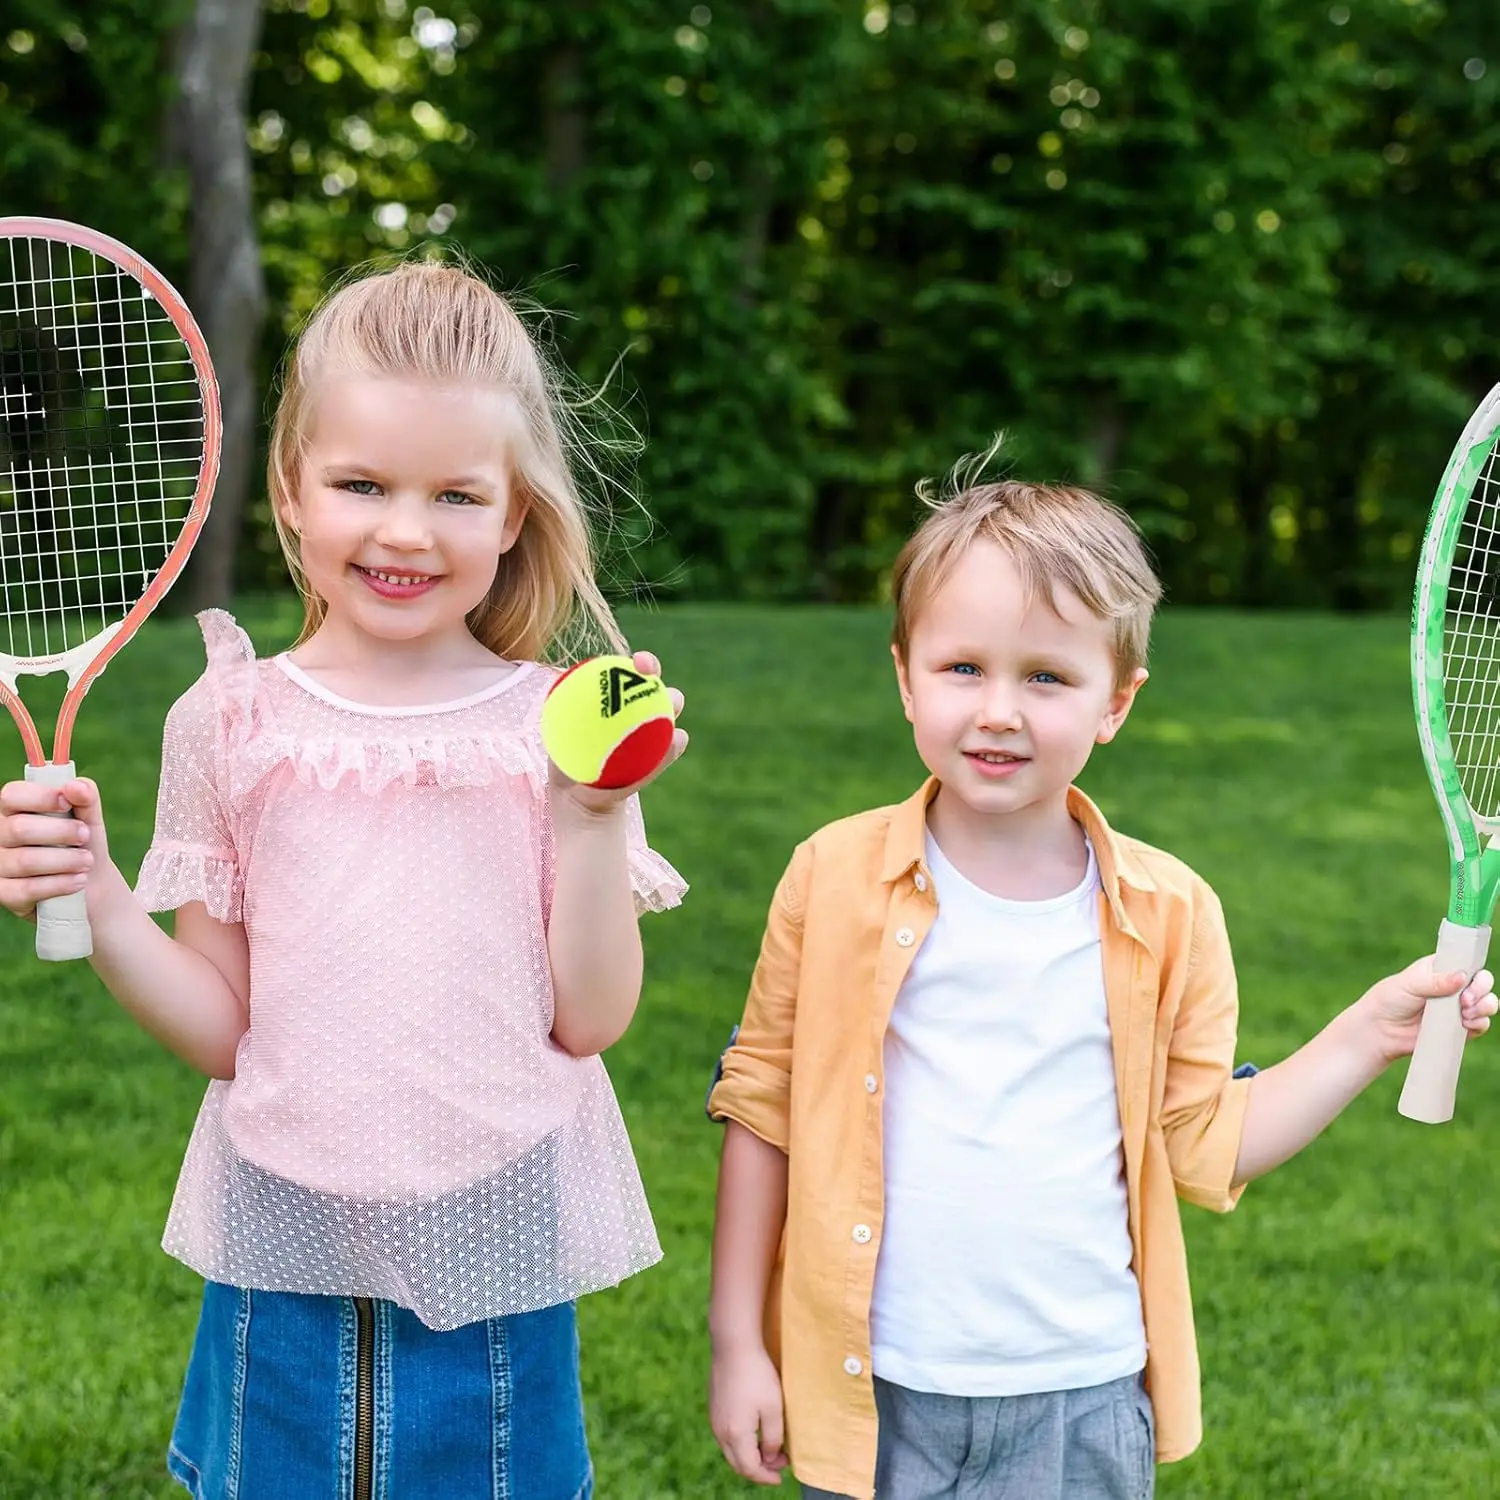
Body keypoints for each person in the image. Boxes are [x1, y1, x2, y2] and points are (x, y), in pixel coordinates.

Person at [0, 260, 687, 1499]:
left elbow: (591, 1019)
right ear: (293, 492)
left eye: (456, 495)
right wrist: (100, 896)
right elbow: (225, 1030)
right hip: (288, 1237)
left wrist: (592, 818)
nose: (405, 531)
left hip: (498, 1233)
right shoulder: (233, 721)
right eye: (362, 484)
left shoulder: (556, 724)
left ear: (515, 514)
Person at [704, 463, 1495, 1500]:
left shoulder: (1171, 915)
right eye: (961, 669)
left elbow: (1206, 1145)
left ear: (1115, 702)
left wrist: (1365, 1033)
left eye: (1046, 677)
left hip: (1077, 1406)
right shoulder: (832, 876)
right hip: (872, 1388)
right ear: (905, 679)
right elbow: (762, 1107)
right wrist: (737, 1342)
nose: (999, 711)